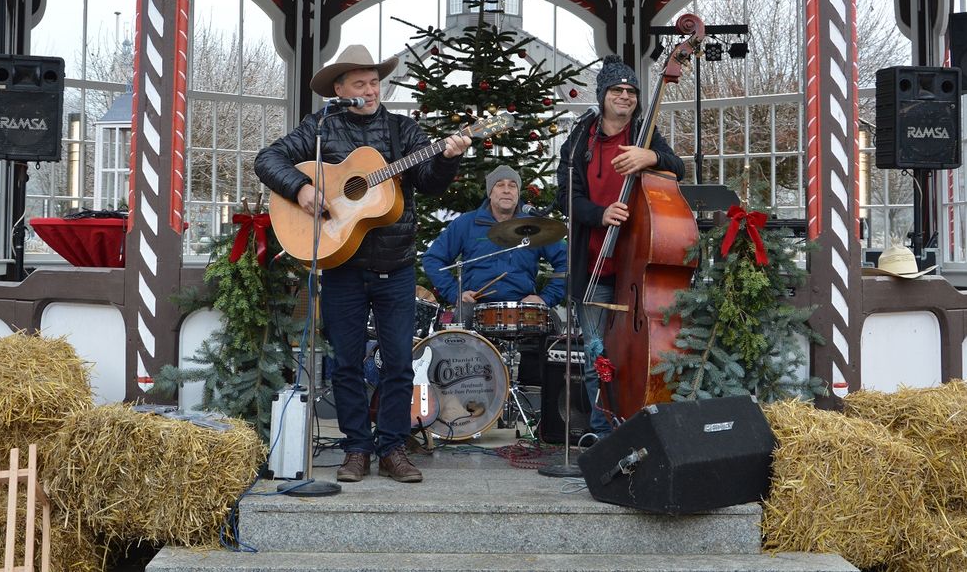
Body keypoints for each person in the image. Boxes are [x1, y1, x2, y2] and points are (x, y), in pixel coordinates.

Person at [255, 44, 471, 484]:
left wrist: (448, 158)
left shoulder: (402, 131)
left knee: (397, 363)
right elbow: (267, 159)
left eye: (374, 82)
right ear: (340, 89)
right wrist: (301, 188)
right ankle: (357, 448)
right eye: (360, 83)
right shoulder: (321, 126)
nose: (371, 90)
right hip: (342, 267)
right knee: (346, 363)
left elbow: (428, 184)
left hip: (396, 265)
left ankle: (392, 447)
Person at [555, 54, 685, 438]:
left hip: (637, 267)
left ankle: (640, 430)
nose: (625, 96)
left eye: (631, 91)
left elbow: (678, 167)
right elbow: (565, 198)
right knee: (600, 357)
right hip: (594, 265)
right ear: (602, 95)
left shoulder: (645, 134)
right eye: (617, 90)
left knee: (637, 356)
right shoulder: (580, 139)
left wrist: (653, 156)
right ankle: (603, 435)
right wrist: (599, 214)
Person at [422, 164, 567, 327]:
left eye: (512, 186)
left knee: (552, 322)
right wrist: (455, 294)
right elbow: (432, 259)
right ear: (490, 192)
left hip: (521, 304)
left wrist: (545, 298)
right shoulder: (466, 223)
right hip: (476, 305)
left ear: (518, 193)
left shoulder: (533, 225)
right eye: (500, 185)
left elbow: (567, 261)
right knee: (462, 320)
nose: (507, 190)